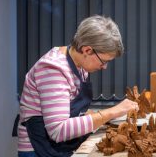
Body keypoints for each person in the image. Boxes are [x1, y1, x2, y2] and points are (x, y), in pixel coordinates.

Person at [17, 15, 139, 157]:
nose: (104, 67)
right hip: (39, 149)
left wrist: (98, 117)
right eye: (104, 61)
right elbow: (58, 130)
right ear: (87, 50)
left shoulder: (79, 65)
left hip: (61, 146)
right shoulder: (53, 69)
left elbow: (69, 111)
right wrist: (113, 112)